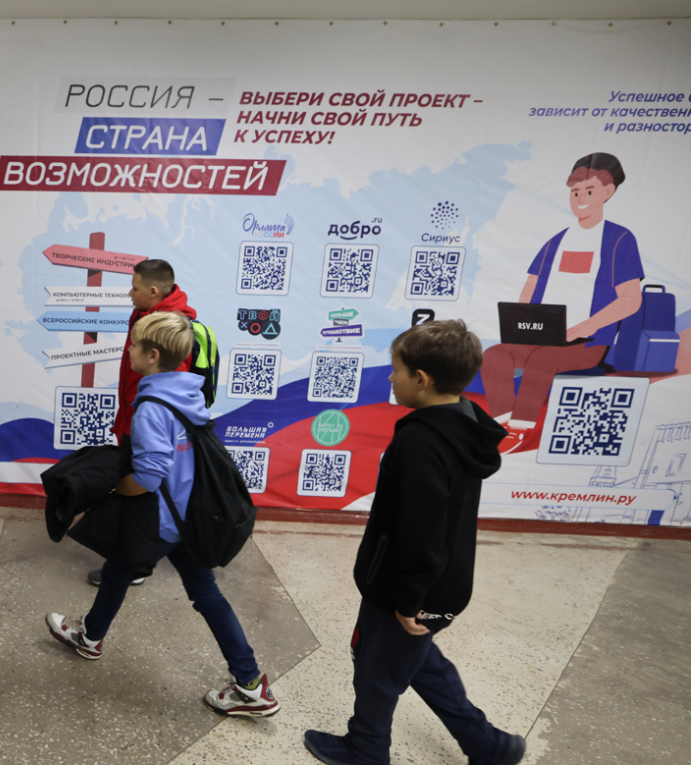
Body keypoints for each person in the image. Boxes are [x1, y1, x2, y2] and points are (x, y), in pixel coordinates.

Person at [304, 320, 525, 765]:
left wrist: (407, 600)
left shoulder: (421, 442)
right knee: (418, 660)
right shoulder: (464, 423)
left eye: (396, 370)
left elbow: (421, 530)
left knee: (376, 668)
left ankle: (366, 751)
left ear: (421, 379)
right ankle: (490, 746)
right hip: (443, 585)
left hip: (409, 587)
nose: (390, 378)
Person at [47, 311, 280, 719]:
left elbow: (149, 475)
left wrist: (113, 489)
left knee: (119, 570)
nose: (129, 351)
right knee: (202, 593)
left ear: (152, 355)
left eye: (134, 345)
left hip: (162, 521)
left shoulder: (151, 407)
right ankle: (248, 683)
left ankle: (90, 637)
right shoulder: (187, 392)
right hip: (189, 514)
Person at [482, 153, 643, 453]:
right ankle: (501, 425)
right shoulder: (557, 241)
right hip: (541, 336)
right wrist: (521, 323)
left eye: (589, 191)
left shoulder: (619, 240)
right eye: (575, 192)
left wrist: (588, 325)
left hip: (588, 342)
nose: (580, 199)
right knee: (494, 355)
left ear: (608, 192)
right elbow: (530, 288)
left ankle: (519, 429)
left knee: (542, 360)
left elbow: (631, 300)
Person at [87, 258, 198, 587]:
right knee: (200, 584)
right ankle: (130, 559)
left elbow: (170, 390)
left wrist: (143, 425)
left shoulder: (169, 326)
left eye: (134, 287)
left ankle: (131, 564)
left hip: (146, 425)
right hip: (134, 420)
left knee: (141, 495)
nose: (129, 293)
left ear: (152, 290)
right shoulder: (145, 314)